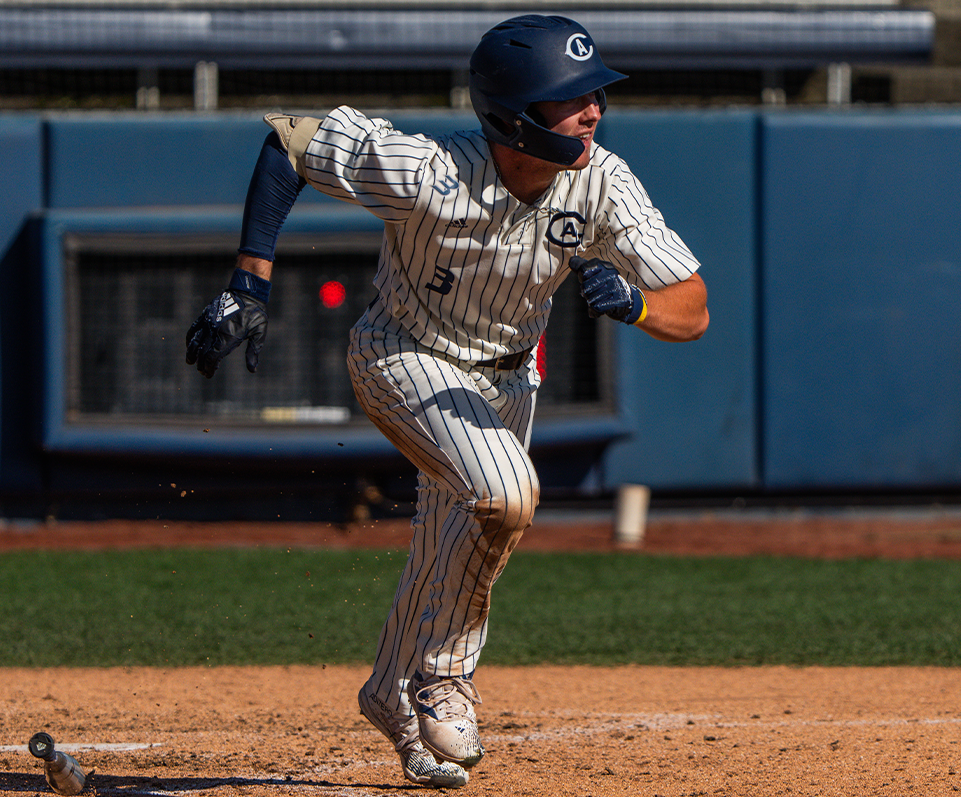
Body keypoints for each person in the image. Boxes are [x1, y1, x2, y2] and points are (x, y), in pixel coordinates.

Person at [185, 14, 708, 789]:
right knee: (503, 494)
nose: (594, 108)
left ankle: (392, 695)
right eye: (572, 97)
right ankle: (444, 677)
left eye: (596, 91)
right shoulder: (430, 171)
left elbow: (692, 307)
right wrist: (247, 281)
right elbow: (293, 140)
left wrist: (633, 302)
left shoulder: (604, 183)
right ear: (515, 116)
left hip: (506, 380)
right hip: (402, 354)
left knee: (455, 542)